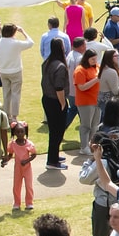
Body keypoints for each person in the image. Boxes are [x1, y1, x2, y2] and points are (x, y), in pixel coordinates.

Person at [0, 22, 34, 121]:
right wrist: (23, 32)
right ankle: (14, 117)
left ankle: (7, 116)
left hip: (3, 71)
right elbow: (30, 42)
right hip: (15, 71)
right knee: (15, 94)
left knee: (6, 93)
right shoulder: (15, 43)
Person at [40, 38, 70, 169]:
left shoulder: (47, 62)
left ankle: (54, 155)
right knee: (57, 131)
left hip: (47, 99)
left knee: (54, 130)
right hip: (55, 101)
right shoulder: (60, 66)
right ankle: (52, 161)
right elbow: (59, 87)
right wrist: (63, 103)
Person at [72, 48, 102, 162]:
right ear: (87, 59)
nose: (95, 61)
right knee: (86, 125)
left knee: (95, 125)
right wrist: (96, 80)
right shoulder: (80, 70)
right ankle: (84, 146)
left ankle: (91, 144)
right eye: (92, 59)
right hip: (85, 102)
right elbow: (82, 87)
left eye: (95, 58)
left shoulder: (97, 67)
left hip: (97, 100)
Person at [7, 120, 38, 211]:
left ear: (25, 132)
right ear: (14, 133)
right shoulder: (13, 144)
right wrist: (5, 160)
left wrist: (26, 161)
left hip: (27, 168)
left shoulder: (29, 144)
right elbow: (10, 154)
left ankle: (29, 202)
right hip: (17, 168)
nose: (20, 134)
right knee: (16, 185)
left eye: (22, 131)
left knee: (28, 185)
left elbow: (34, 154)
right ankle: (17, 203)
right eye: (17, 132)